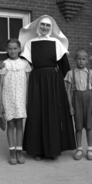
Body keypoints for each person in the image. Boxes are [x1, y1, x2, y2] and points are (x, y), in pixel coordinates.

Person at [18, 15, 76, 160]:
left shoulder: (56, 43)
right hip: (36, 80)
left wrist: (66, 87)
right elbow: (21, 65)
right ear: (38, 26)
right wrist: (0, 66)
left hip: (53, 82)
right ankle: (38, 150)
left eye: (47, 25)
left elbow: (65, 68)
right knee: (37, 112)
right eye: (42, 25)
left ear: (51, 28)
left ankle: (53, 149)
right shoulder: (30, 44)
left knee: (53, 113)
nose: (44, 27)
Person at [0, 38, 31, 165]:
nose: (12, 51)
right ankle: (12, 151)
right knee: (10, 125)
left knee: (19, 124)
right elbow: (0, 85)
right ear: (6, 50)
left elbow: (28, 83)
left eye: (15, 48)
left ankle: (19, 151)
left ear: (19, 49)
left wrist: (28, 100)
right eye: (10, 48)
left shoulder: (25, 64)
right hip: (8, 99)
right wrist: (0, 104)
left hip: (21, 99)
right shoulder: (4, 64)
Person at [64, 48, 92, 161]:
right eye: (79, 59)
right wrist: (70, 106)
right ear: (75, 60)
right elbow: (68, 91)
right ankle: (79, 149)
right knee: (78, 126)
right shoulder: (70, 73)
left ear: (87, 60)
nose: (81, 61)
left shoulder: (91, 73)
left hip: (88, 100)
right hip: (76, 99)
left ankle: (90, 149)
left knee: (89, 126)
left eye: (84, 59)